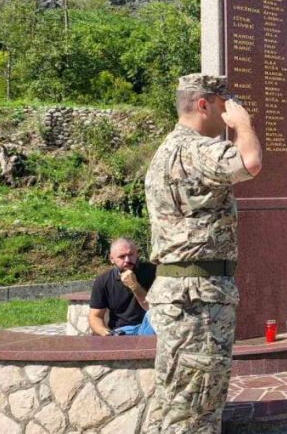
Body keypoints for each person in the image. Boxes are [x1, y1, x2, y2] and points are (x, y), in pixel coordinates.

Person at [143, 73, 262, 433]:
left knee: (176, 400)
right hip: (197, 299)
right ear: (203, 104)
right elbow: (250, 161)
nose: (228, 113)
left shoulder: (167, 150)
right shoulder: (194, 149)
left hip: (183, 294)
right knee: (196, 406)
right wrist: (244, 124)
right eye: (224, 105)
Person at [89, 238, 157, 336]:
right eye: (122, 256)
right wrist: (104, 332)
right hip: (123, 330)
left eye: (131, 255)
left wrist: (134, 286)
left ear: (136, 254)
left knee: (153, 313)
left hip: (149, 325)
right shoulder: (103, 281)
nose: (127, 260)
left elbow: (151, 308)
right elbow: (95, 316)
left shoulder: (152, 272)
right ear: (111, 259)